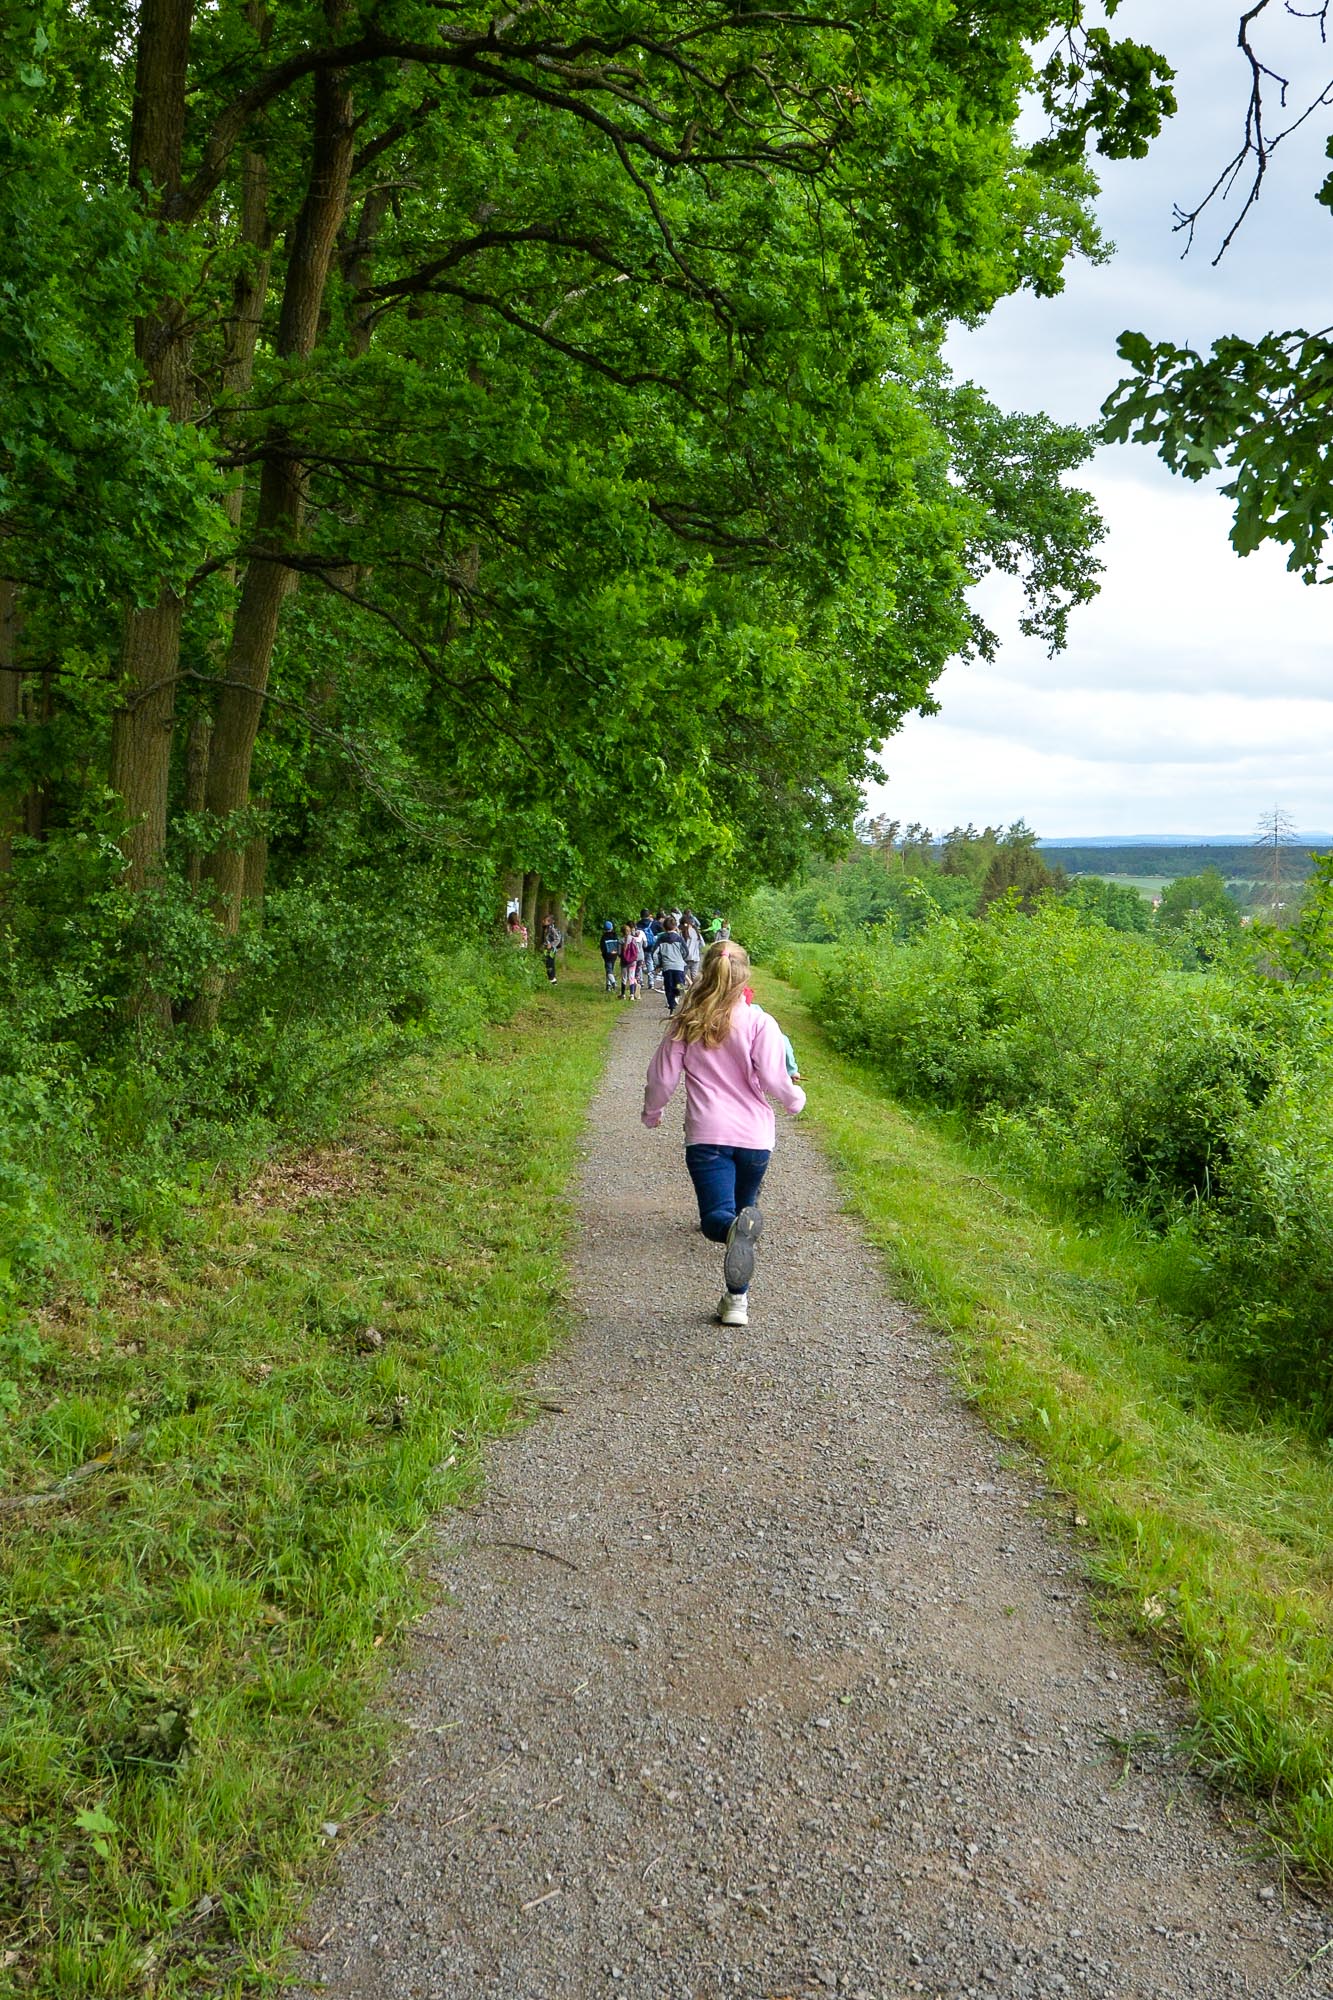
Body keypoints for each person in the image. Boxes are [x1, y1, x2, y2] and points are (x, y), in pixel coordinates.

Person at [642, 939, 804, 1327]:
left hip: (707, 1137)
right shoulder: (760, 1022)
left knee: (720, 1220)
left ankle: (732, 1237)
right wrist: (794, 1099)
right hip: (755, 1140)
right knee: (745, 1217)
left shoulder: (688, 1021)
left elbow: (662, 1077)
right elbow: (773, 1075)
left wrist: (653, 1111)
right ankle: (736, 1301)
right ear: (744, 976)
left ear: (704, 973)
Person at [652, 913, 688, 1014]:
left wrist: (658, 964)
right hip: (679, 966)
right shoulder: (679, 939)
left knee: (669, 987)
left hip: (667, 967)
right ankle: (679, 998)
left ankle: (672, 1007)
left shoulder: (661, 939)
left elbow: (654, 954)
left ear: (664, 927)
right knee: (680, 984)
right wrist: (681, 959)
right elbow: (686, 952)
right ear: (675, 926)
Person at [620, 921, 643, 1000]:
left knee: (624, 977)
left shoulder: (620, 940)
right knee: (632, 977)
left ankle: (623, 995)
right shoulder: (633, 939)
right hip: (633, 962)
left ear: (621, 932)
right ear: (629, 931)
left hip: (624, 962)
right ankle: (632, 995)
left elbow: (619, 952)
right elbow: (637, 950)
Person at [540, 910, 562, 984]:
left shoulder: (552, 929)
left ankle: (552, 979)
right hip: (546, 949)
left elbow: (558, 938)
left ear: (549, 922)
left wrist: (551, 945)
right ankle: (550, 978)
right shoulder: (545, 928)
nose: (543, 921)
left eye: (545, 920)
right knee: (547, 962)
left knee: (550, 963)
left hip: (552, 950)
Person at [599, 919, 619, 994]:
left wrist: (604, 954)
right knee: (611, 969)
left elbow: (602, 947)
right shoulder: (615, 935)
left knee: (608, 970)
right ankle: (608, 985)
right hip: (614, 955)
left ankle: (613, 983)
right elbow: (618, 945)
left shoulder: (604, 937)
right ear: (612, 928)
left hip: (607, 956)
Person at [681, 916, 702, 987]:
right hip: (696, 957)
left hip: (685, 958)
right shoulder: (697, 932)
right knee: (695, 977)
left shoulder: (682, 933)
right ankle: (696, 993)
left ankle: (680, 992)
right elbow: (702, 944)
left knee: (681, 975)